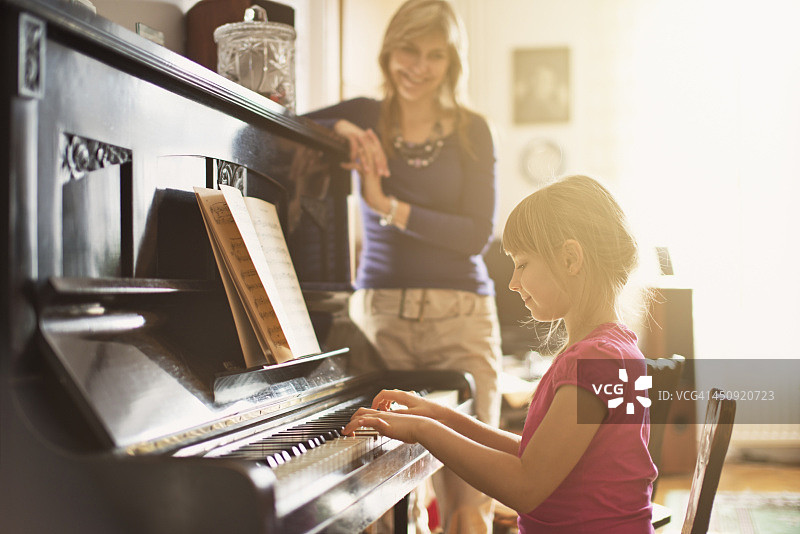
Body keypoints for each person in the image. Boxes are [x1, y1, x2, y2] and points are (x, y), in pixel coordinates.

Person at [344, 175, 658, 533]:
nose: (512, 282)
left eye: (522, 263)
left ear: (571, 259)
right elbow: (534, 453)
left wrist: (424, 430)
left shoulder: (597, 361)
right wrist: (443, 417)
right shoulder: (609, 350)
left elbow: (526, 486)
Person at [305, 1, 502, 532]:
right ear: (390, 50)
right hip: (380, 322)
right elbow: (285, 125)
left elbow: (475, 235)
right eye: (409, 51)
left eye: (435, 55)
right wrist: (340, 128)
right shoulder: (370, 115)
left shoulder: (471, 131)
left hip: (460, 320)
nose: (419, 66)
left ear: (452, 62)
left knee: (467, 499)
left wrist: (387, 205)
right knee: (385, 497)